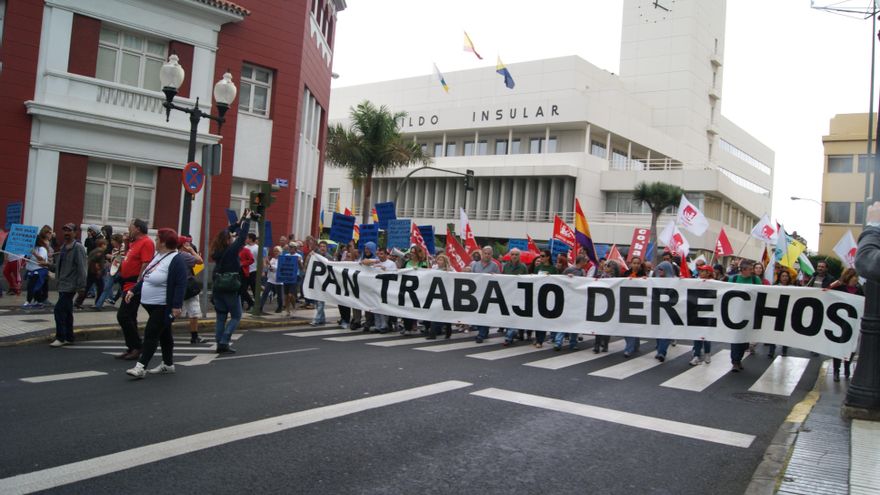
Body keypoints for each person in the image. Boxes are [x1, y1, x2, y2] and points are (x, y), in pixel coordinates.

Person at [124, 228, 187, 378]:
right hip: (151, 305)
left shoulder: (176, 260)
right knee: (165, 334)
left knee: (151, 333)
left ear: (164, 243)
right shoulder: (158, 256)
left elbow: (180, 284)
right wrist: (133, 290)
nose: (155, 242)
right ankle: (168, 364)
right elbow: (147, 276)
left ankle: (140, 367)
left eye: (158, 239)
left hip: (163, 305)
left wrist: (176, 306)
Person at [211, 211, 252, 353]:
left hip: (218, 287)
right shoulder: (231, 251)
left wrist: (238, 222)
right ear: (228, 240)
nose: (233, 238)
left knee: (221, 317)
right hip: (230, 287)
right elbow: (242, 238)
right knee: (236, 316)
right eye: (231, 237)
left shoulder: (217, 250)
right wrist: (247, 221)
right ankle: (224, 341)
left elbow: (226, 232)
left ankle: (218, 343)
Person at [115, 219, 155, 361]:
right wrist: (126, 243)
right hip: (126, 283)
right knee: (130, 316)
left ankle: (137, 346)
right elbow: (127, 257)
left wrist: (138, 283)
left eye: (130, 228)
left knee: (123, 316)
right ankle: (132, 347)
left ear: (138, 228)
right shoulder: (134, 243)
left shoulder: (146, 242)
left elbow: (146, 263)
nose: (128, 230)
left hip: (134, 285)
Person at [46, 223, 87, 347]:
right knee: (68, 312)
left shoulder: (78, 248)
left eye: (69, 231)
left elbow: (82, 268)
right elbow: (59, 267)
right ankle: (69, 336)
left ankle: (61, 337)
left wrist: (81, 287)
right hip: (62, 284)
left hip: (71, 286)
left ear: (75, 233)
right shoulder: (63, 247)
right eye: (64, 230)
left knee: (59, 310)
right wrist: (47, 265)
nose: (66, 233)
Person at [728, 260, 762, 372]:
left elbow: (761, 293)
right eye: (750, 269)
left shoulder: (755, 279)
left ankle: (739, 359)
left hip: (749, 313)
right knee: (735, 338)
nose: (752, 271)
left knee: (744, 341)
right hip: (735, 314)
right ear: (743, 270)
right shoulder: (733, 279)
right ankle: (735, 361)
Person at [829, 267, 862, 381]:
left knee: (851, 347)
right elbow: (827, 290)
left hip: (853, 323)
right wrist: (837, 282)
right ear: (848, 277)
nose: (856, 279)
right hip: (839, 322)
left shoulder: (859, 290)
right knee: (838, 346)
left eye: (857, 277)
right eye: (854, 277)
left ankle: (847, 366)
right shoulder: (840, 288)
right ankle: (836, 370)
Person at [177, 235, 208, 344]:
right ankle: (194, 336)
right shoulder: (185, 255)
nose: (189, 245)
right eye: (187, 243)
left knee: (174, 310)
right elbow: (200, 261)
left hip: (177, 286)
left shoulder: (174, 254)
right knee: (194, 311)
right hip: (188, 285)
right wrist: (192, 251)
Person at [471, 245, 500, 343]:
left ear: (491, 255)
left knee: (485, 314)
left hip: (488, 294)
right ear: (482, 254)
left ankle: (481, 334)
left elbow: (500, 279)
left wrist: (495, 276)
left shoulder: (495, 266)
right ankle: (484, 330)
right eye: (485, 253)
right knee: (478, 315)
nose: (487, 255)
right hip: (476, 294)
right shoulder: (474, 265)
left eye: (489, 254)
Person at [690, 264, 717, 365]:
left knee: (706, 335)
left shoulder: (714, 283)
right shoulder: (696, 281)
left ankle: (707, 353)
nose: (700, 273)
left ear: (708, 273)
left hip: (709, 312)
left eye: (703, 271)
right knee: (697, 335)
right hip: (697, 311)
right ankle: (697, 355)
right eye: (700, 271)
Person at [501, 249, 529, 346]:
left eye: (516, 254)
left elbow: (527, 280)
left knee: (515, 316)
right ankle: (513, 333)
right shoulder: (506, 266)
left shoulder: (523, 267)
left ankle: (509, 337)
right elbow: (502, 278)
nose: (514, 256)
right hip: (508, 294)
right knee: (509, 316)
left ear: (519, 256)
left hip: (518, 294)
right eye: (512, 254)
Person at [651, 260, 676, 362]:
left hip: (669, 310)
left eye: (662, 269)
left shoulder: (674, 281)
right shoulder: (655, 280)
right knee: (658, 330)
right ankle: (659, 349)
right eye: (659, 269)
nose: (660, 271)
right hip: (657, 309)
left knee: (666, 331)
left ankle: (662, 352)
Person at [767, 269, 794, 358]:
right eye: (783, 276)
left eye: (786, 276)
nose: (785, 278)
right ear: (779, 277)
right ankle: (771, 350)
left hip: (787, 313)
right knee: (773, 332)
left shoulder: (793, 288)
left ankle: (784, 350)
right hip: (775, 312)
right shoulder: (775, 287)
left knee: (785, 332)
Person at [76, 238, 107, 309]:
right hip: (95, 272)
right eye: (105, 245)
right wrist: (98, 270)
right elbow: (94, 261)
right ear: (102, 245)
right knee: (101, 287)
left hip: (91, 271)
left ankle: (78, 302)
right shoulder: (100, 251)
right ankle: (98, 303)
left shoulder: (94, 250)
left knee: (87, 287)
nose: (106, 246)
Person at [310, 241, 330, 326]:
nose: (322, 248)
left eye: (324, 246)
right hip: (316, 282)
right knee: (316, 302)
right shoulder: (315, 256)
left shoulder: (329, 257)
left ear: (326, 248)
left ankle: (317, 319)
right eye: (321, 246)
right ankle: (322, 319)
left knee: (320, 301)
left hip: (325, 283)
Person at [259, 246, 284, 314]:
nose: (275, 252)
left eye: (277, 251)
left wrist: (269, 264)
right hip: (270, 279)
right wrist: (267, 265)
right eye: (274, 251)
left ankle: (280, 307)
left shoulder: (282, 259)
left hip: (278, 280)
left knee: (279, 295)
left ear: (280, 252)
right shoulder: (272, 259)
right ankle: (260, 307)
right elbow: (269, 268)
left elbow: (276, 268)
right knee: (265, 293)